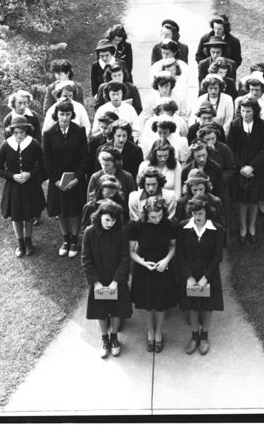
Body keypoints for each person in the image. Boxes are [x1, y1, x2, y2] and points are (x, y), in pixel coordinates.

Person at [81, 200, 133, 358]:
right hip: (99, 280)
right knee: (101, 311)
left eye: (114, 220)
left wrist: (116, 282)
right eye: (107, 220)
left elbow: (125, 258)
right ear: (99, 217)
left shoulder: (121, 232)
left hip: (116, 280)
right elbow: (86, 259)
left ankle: (114, 337)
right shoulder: (89, 232)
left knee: (117, 311)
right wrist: (95, 282)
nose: (110, 223)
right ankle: (104, 339)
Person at [128, 195, 179, 353]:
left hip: (163, 266)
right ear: (146, 214)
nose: (157, 219)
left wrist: (166, 261)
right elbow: (130, 251)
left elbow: (172, 246)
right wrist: (143, 262)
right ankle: (150, 331)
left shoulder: (169, 225)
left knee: (161, 304)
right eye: (152, 217)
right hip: (144, 267)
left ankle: (158, 332)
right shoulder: (137, 226)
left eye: (159, 216)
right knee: (148, 305)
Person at [42, 99, 91, 259]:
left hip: (75, 180)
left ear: (72, 115)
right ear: (56, 115)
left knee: (75, 211)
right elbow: (47, 160)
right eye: (61, 114)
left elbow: (85, 157)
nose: (64, 118)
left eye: (67, 114)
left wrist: (76, 178)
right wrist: (56, 180)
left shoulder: (79, 131)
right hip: (58, 181)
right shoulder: (49, 134)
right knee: (61, 211)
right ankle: (66, 239)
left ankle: (75, 240)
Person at [176, 197, 224, 355]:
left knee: (207, 307)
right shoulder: (183, 227)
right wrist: (188, 276)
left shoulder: (217, 229)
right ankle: (194, 336)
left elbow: (217, 256)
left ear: (207, 212)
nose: (197, 216)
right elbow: (180, 254)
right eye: (194, 213)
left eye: (200, 213)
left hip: (208, 276)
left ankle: (204, 337)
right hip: (190, 275)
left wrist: (205, 278)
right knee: (192, 306)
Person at [0, 115, 47, 257]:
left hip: (30, 186)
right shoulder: (5, 146)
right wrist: (12, 176)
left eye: (22, 132)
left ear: (26, 131)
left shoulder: (34, 144)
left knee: (29, 215)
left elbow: (42, 165)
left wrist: (30, 174)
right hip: (14, 187)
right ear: (11, 131)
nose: (18, 136)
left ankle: (29, 240)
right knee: (16, 216)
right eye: (16, 132)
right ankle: (20, 243)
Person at [226, 98, 264, 243]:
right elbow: (231, 149)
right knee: (242, 200)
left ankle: (252, 225)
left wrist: (252, 166)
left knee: (254, 199)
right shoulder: (234, 125)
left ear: (255, 111)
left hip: (257, 169)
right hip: (240, 170)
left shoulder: (262, 125)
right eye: (243, 111)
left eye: (249, 111)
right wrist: (242, 168)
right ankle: (243, 226)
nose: (245, 114)